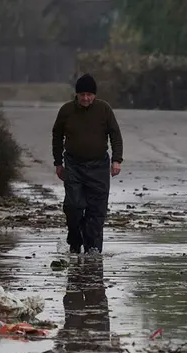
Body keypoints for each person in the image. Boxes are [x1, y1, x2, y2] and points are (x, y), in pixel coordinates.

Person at [52, 73, 123, 254]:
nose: (85, 98)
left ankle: (93, 251)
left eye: (89, 95)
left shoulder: (104, 109)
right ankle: (75, 238)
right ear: (76, 95)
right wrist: (58, 162)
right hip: (74, 165)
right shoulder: (66, 110)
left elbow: (115, 135)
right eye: (82, 94)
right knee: (73, 206)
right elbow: (57, 136)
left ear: (94, 95)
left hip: (99, 166)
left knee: (96, 211)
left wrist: (116, 160)